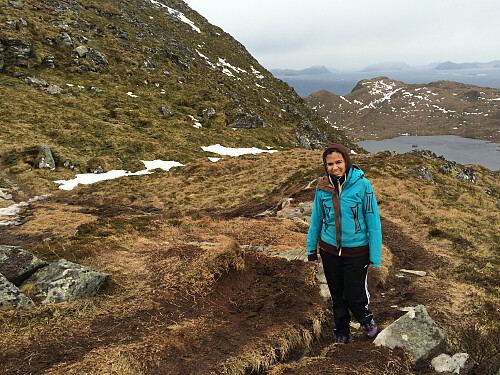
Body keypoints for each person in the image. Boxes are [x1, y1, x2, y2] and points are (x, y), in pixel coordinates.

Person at [307, 142, 382, 344]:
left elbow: (373, 222)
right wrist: (311, 250)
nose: (334, 167)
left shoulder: (363, 185)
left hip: (357, 251)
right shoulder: (322, 187)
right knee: (337, 295)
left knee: (354, 293)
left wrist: (375, 256)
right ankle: (342, 331)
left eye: (338, 162)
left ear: (346, 162)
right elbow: (316, 220)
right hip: (329, 250)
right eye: (330, 164)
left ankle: (366, 320)